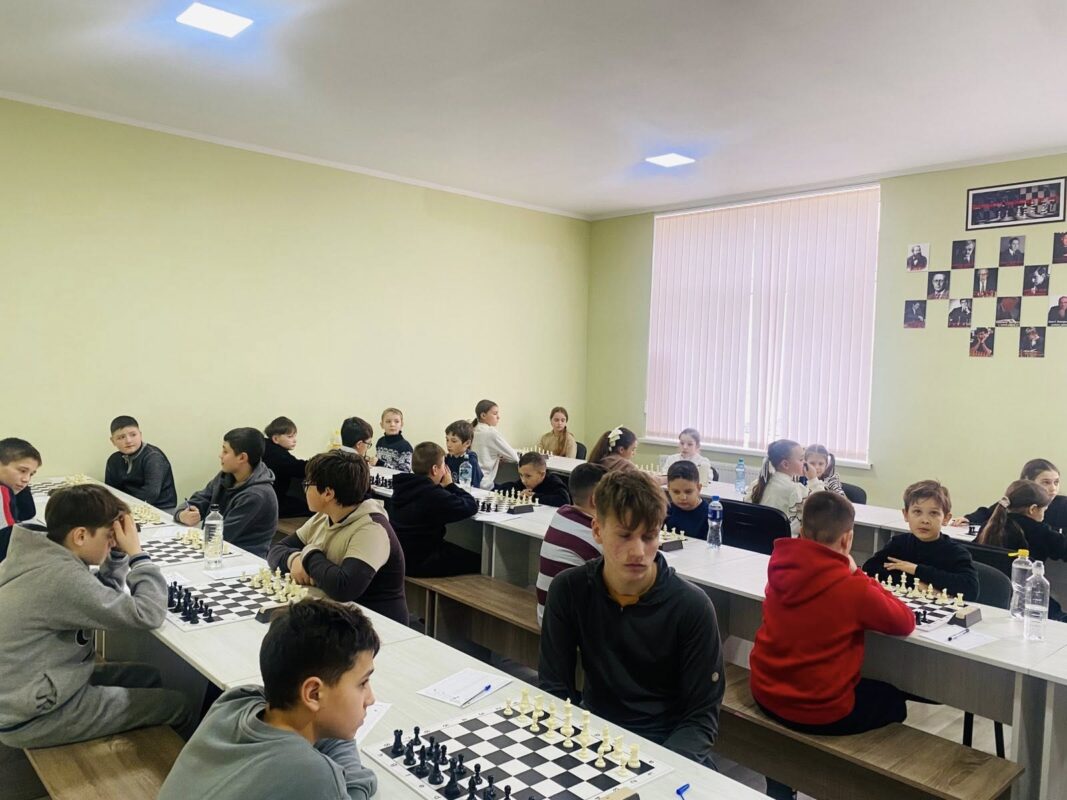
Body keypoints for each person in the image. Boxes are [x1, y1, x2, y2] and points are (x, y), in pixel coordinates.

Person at [539, 470, 724, 766]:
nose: (638, 551)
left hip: (668, 747)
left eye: (649, 536)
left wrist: (659, 773)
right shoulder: (569, 589)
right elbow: (554, 689)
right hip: (595, 736)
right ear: (597, 530)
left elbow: (701, 717)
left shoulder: (692, 606)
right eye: (624, 535)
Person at [750, 492, 914, 800]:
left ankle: (781, 784)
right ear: (848, 538)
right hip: (820, 709)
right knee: (894, 701)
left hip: (765, 691)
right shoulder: (851, 587)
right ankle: (839, 784)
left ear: (801, 532)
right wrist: (858, 573)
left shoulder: (779, 565)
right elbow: (905, 621)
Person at [0, 485, 188, 748]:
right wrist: (138, 555)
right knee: (178, 705)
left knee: (147, 675)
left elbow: (95, 596)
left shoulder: (38, 554)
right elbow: (149, 613)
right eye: (110, 536)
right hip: (33, 715)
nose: (114, 541)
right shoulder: (62, 578)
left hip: (25, 687)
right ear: (80, 536)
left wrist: (117, 554)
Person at [158, 599, 379, 800]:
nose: (370, 699)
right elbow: (341, 783)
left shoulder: (238, 700)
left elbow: (331, 736)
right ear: (313, 693)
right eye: (363, 683)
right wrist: (355, 782)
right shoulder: (312, 775)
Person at [267, 451, 408, 624]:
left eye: (307, 484)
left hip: (376, 625)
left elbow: (344, 587)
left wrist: (309, 554)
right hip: (338, 613)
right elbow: (276, 550)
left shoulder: (372, 529)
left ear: (328, 493)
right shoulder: (324, 516)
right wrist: (294, 559)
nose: (305, 489)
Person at [862, 480, 978, 600]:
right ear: (906, 514)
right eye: (917, 512)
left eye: (934, 513)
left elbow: (971, 589)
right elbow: (870, 569)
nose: (925, 520)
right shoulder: (899, 544)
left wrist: (916, 569)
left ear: (946, 518)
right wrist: (916, 584)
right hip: (904, 604)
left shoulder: (955, 552)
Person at [174, 428, 279, 559]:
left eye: (225, 451)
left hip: (242, 559)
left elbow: (220, 535)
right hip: (215, 550)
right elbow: (199, 499)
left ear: (242, 457)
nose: (220, 455)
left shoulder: (257, 495)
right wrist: (182, 514)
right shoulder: (226, 476)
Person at [389, 442, 480, 577]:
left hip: (399, 556)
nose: (445, 471)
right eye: (443, 466)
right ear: (435, 469)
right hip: (421, 560)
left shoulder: (402, 487)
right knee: (479, 561)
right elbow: (471, 506)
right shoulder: (433, 495)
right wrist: (450, 485)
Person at [535, 463, 607, 624]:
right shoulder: (593, 533)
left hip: (546, 614)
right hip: (567, 627)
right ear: (596, 499)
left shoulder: (562, 514)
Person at [955, 458, 1067, 533]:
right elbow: (989, 513)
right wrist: (968, 519)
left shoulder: (1064, 505)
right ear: (1028, 482)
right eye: (1046, 482)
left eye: (1056, 482)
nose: (1053, 488)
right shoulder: (1017, 500)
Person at [976, 480, 1067, 563]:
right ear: (1032, 509)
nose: (1044, 515)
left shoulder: (989, 525)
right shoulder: (1040, 531)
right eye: (1044, 510)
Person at [745, 439, 823, 534]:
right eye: (801, 459)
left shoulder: (758, 483)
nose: (805, 463)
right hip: (782, 540)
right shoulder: (794, 489)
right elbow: (822, 506)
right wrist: (813, 479)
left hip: (759, 537)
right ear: (785, 464)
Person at [103, 416, 177, 511]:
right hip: (127, 506)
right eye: (121, 437)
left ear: (140, 435)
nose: (128, 441)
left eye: (133, 435)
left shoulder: (153, 457)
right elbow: (111, 491)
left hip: (160, 508)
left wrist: (124, 506)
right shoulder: (113, 460)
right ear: (113, 441)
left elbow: (151, 494)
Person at [0, 438, 41, 563]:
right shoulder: (2, 493)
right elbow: (8, 542)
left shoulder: (6, 489)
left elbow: (27, 513)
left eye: (31, 474)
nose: (26, 479)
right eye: (22, 471)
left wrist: (19, 485)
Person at [262, 416, 310, 518]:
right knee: (311, 507)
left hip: (265, 499)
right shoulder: (277, 455)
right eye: (290, 437)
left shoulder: (265, 447)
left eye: (294, 436)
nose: (294, 440)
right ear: (276, 439)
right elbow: (299, 468)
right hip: (273, 502)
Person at [470, 399, 519, 490]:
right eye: (495, 413)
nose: (498, 417)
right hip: (485, 485)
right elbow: (514, 457)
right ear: (483, 415)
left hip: (471, 482)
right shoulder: (491, 433)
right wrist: (498, 456)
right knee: (515, 488)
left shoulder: (472, 429)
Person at [495, 451, 571, 507]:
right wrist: (520, 494)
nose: (523, 480)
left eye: (528, 476)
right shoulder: (525, 482)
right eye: (521, 475)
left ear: (542, 474)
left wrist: (533, 496)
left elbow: (564, 501)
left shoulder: (553, 482)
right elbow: (502, 488)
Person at [664, 461, 709, 540]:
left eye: (688, 492)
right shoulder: (666, 509)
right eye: (676, 492)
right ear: (669, 489)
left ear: (699, 488)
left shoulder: (709, 515)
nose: (683, 497)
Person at [444, 420, 483, 488]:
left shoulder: (470, 460)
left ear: (467, 443)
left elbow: (474, 487)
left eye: (454, 441)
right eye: (447, 440)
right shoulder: (447, 458)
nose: (448, 444)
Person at [375, 408, 412, 473]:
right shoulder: (380, 441)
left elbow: (405, 471)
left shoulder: (406, 447)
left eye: (396, 421)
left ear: (401, 424)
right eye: (388, 421)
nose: (392, 424)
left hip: (397, 479)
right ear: (382, 425)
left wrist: (381, 463)